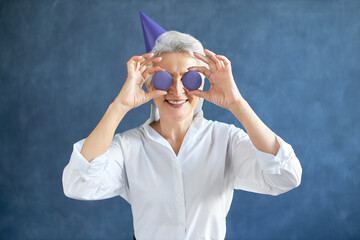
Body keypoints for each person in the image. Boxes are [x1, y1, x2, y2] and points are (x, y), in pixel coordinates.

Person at [62, 31, 302, 240]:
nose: (176, 90)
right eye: (164, 78)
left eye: (189, 78)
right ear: (149, 84)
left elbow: (286, 176)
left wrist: (237, 103)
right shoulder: (129, 146)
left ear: (203, 81)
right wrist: (119, 107)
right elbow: (79, 184)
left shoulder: (225, 139)